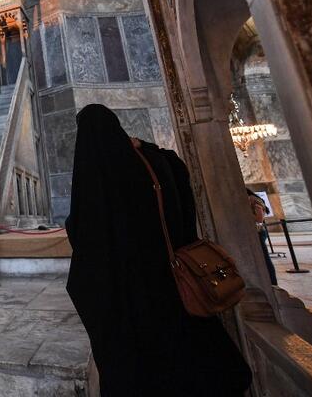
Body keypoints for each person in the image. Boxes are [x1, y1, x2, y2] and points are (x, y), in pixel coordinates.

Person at [66, 104, 252, 396]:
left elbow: (84, 234)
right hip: (179, 282)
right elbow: (179, 173)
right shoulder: (156, 160)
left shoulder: (100, 175)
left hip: (136, 295)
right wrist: (145, 146)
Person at [248, 188, 277, 286]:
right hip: (254, 232)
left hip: (258, 232)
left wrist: (244, 214)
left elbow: (259, 219)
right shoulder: (252, 199)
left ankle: (273, 283)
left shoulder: (253, 199)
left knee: (265, 258)